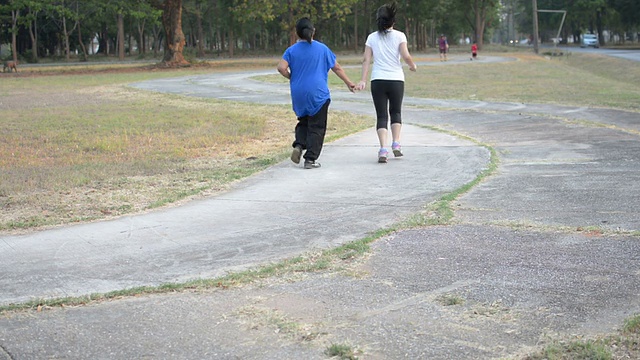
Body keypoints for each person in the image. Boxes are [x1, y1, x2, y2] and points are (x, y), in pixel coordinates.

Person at [277, 18, 356, 169]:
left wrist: (291, 77)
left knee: (304, 121)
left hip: (299, 93)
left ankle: (299, 145)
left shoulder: (291, 50)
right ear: (313, 32)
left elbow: (281, 67)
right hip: (318, 94)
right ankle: (310, 159)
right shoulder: (322, 48)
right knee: (317, 127)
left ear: (297, 33)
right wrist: (348, 82)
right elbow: (337, 67)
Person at [356, 2, 417, 163]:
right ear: (393, 21)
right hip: (396, 79)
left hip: (378, 80)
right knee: (396, 112)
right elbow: (406, 55)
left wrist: (363, 79)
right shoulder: (400, 36)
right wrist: (412, 66)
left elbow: (366, 59)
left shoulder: (371, 37)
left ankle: (383, 150)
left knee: (381, 115)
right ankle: (396, 144)